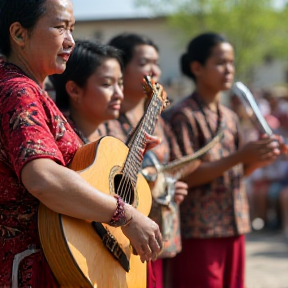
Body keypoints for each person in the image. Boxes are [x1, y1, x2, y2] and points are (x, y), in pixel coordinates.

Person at [0, 1, 163, 287]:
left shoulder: (29, 89)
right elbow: (43, 178)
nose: (71, 41)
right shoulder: (18, 91)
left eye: (72, 29)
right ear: (19, 34)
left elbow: (69, 176)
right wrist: (126, 216)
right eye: (60, 27)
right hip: (29, 267)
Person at [166, 32, 280, 288]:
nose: (229, 69)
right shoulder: (182, 116)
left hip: (234, 225)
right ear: (197, 67)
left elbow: (236, 172)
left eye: (231, 63)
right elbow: (183, 175)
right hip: (199, 231)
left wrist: (259, 158)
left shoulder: (229, 116)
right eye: (220, 63)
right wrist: (241, 156)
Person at [107, 33, 189, 288]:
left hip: (156, 233)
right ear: (119, 68)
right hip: (116, 237)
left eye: (157, 62)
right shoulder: (105, 120)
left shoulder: (159, 120)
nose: (154, 70)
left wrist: (171, 185)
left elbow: (177, 165)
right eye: (144, 63)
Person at [49, 39, 124, 143]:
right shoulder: (59, 143)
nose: (119, 95)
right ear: (74, 90)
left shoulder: (116, 132)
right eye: (107, 84)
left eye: (120, 83)